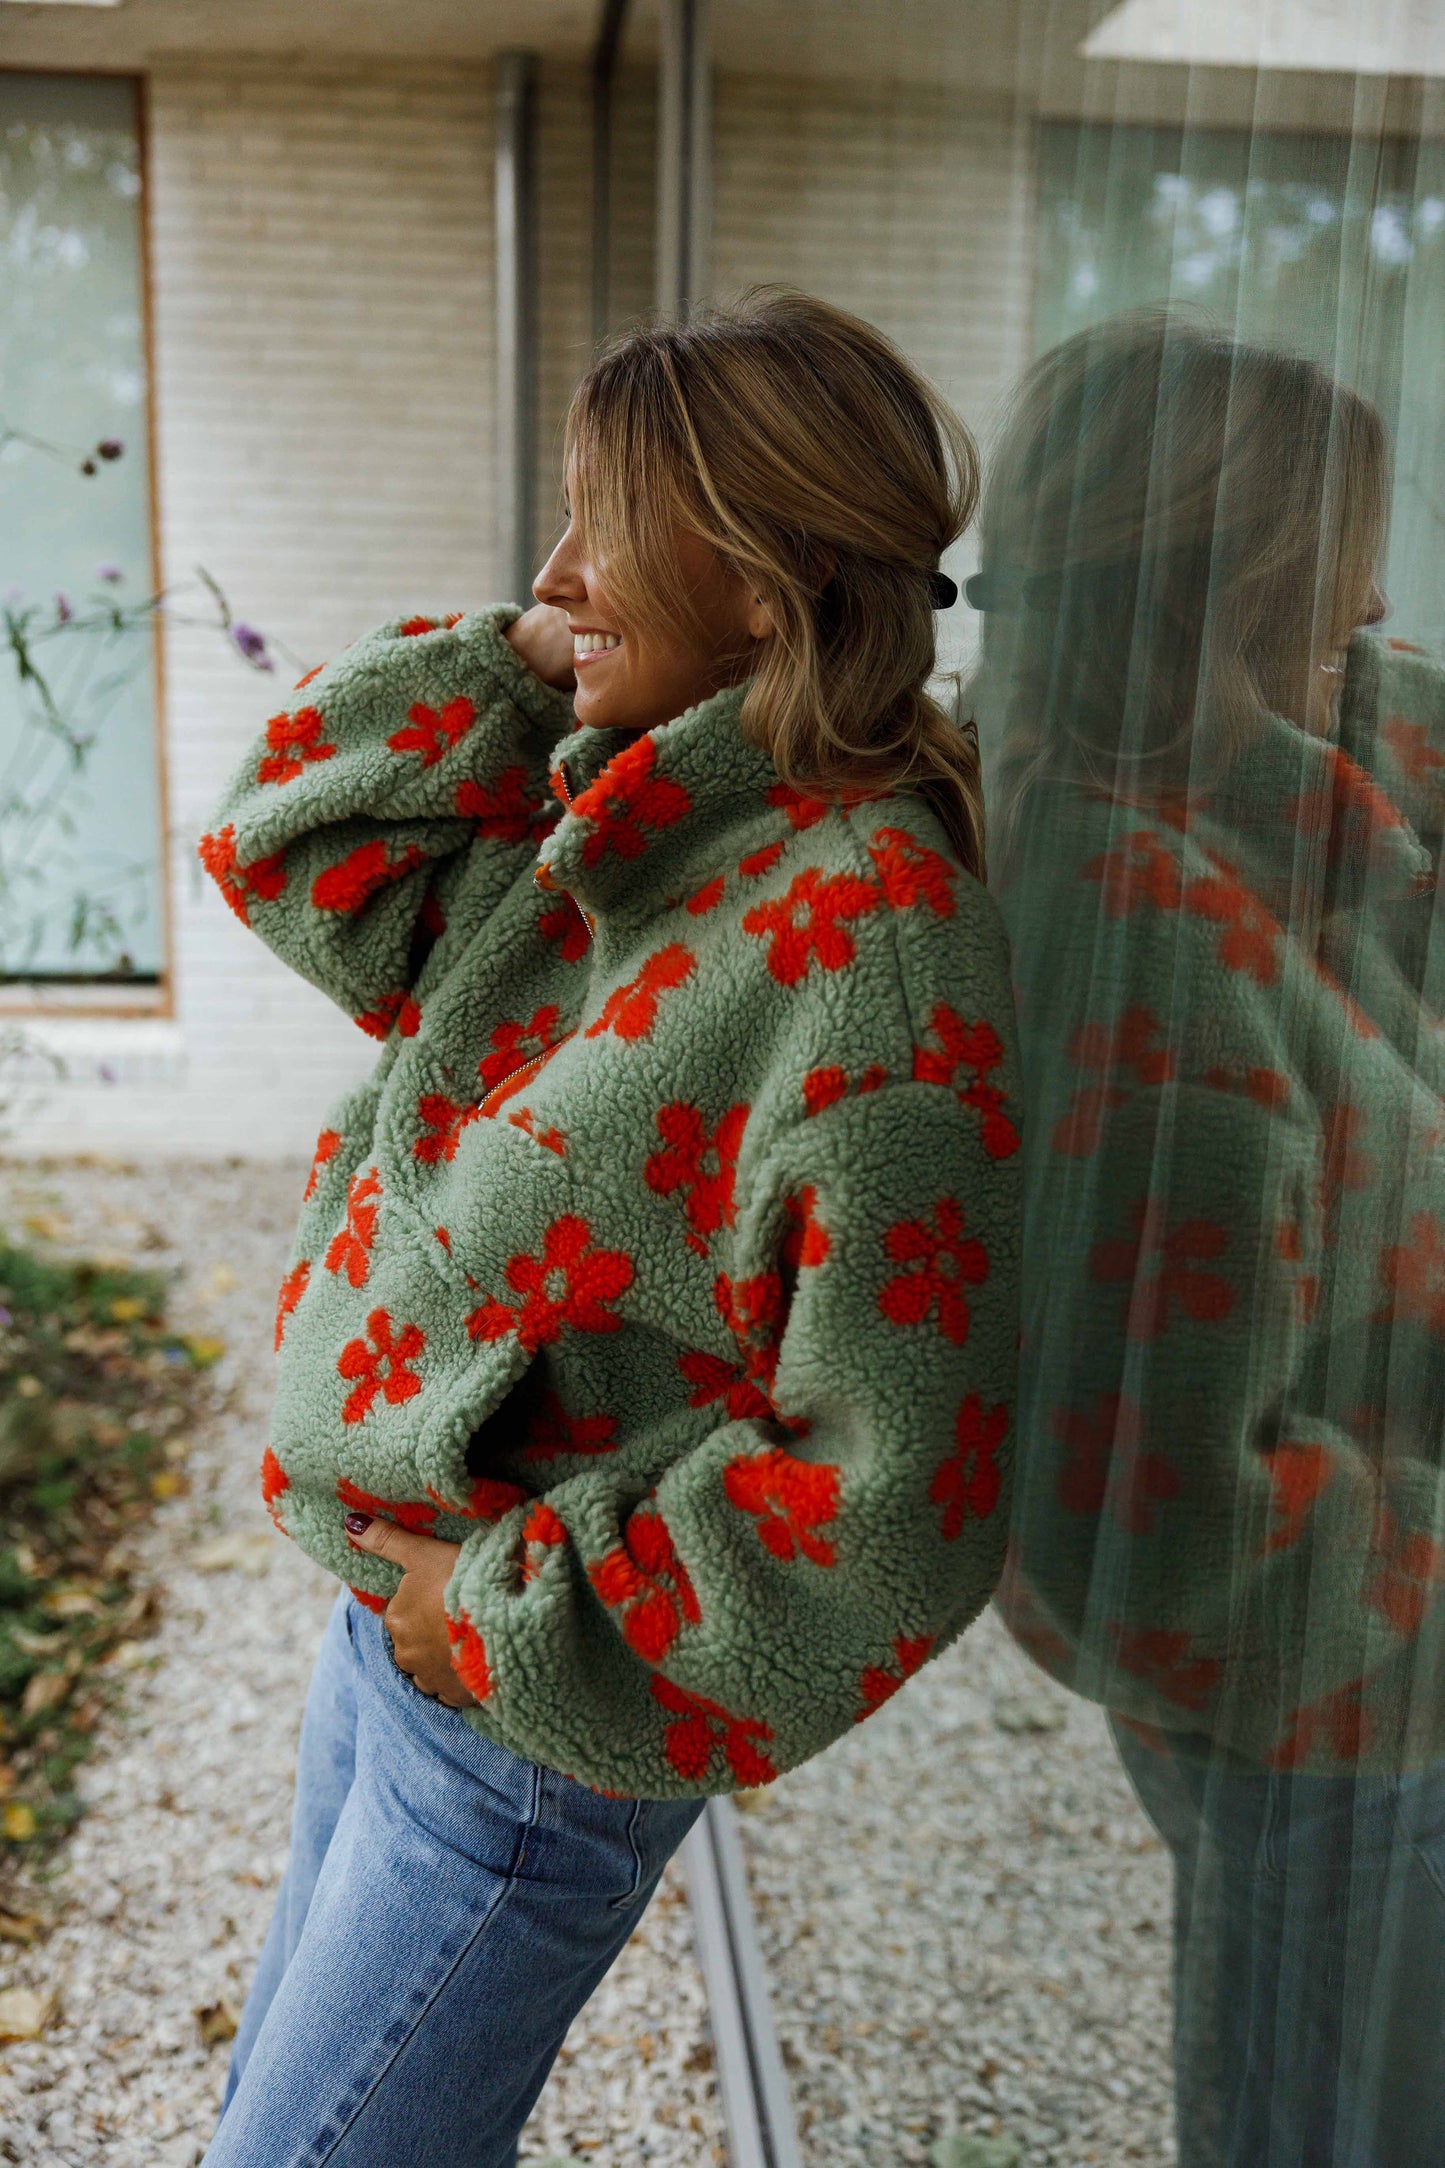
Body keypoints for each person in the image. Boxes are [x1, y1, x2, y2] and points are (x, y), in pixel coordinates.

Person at [197, 287, 1022, 2167]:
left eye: (600, 522)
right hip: (392, 1651)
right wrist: (524, 654)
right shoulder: (639, 819)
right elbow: (291, 851)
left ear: (765, 575)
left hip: (518, 1726)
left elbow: (902, 1501)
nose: (556, 566)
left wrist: (494, 1620)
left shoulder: (869, 949)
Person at [978, 309, 1445, 2168]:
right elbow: (1146, 1525)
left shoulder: (1232, 799)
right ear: (1223, 609)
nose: (1365, 629)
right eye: (1328, 603)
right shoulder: (1135, 946)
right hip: (1343, 1742)